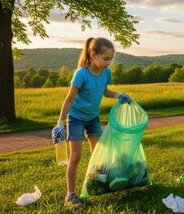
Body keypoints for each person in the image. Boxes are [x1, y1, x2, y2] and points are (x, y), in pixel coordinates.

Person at [54, 37, 132, 208]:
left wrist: (117, 95)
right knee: (75, 157)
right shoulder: (81, 74)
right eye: (106, 58)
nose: (109, 62)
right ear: (92, 55)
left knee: (97, 155)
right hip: (76, 118)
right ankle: (71, 195)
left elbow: (105, 91)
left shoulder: (106, 73)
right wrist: (60, 123)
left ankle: (96, 184)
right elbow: (69, 99)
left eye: (111, 59)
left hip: (93, 118)